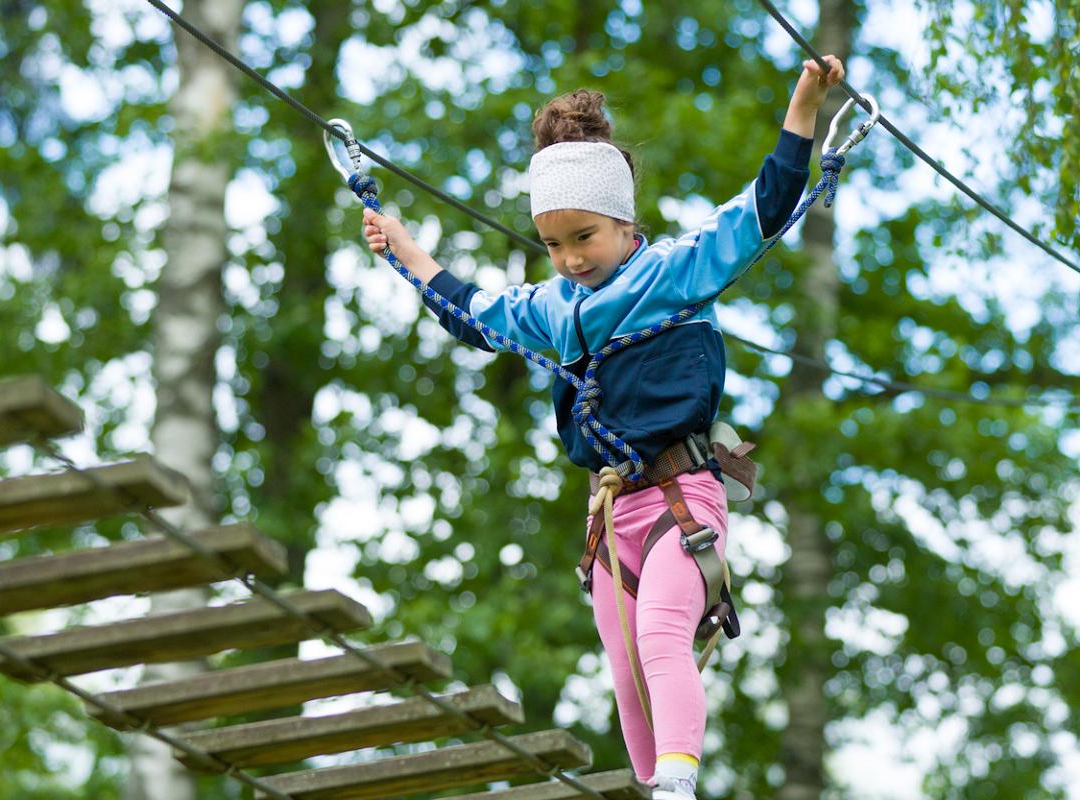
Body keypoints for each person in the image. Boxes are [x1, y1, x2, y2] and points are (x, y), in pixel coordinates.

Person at [363, 57, 847, 798]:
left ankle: (679, 787)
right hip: (610, 515)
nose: (570, 259)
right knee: (625, 674)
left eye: (584, 237)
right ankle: (655, 783)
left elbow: (764, 207)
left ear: (625, 222)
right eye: (553, 245)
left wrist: (804, 106)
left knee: (659, 639)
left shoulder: (674, 274)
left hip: (680, 497)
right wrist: (404, 247)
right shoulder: (554, 309)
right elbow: (472, 313)